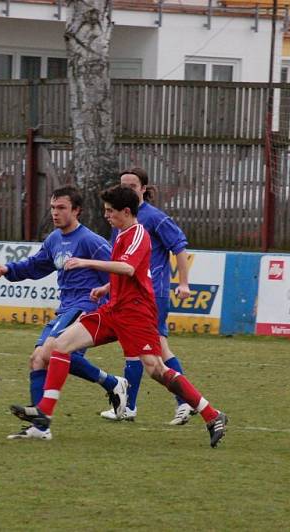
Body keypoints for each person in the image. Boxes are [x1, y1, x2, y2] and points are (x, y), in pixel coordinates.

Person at [10, 185, 228, 448]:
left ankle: (212, 414)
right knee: (59, 345)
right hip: (113, 309)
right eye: (105, 211)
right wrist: (106, 287)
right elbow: (127, 273)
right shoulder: (121, 233)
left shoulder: (138, 233)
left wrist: (86, 262)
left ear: (126, 211)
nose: (107, 216)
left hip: (137, 314)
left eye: (111, 211)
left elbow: (127, 267)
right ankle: (44, 411)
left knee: (156, 369)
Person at [0, 186, 129, 440]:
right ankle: (40, 427)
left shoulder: (91, 241)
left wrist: (110, 301)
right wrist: (8, 270)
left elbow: (120, 271)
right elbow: (35, 266)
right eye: (53, 208)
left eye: (62, 208)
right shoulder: (54, 240)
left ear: (76, 211)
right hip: (66, 308)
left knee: (51, 351)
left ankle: (46, 417)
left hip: (87, 307)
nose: (55, 213)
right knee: (37, 359)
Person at [100, 167, 195, 425]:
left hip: (152, 294)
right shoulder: (120, 217)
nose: (127, 189)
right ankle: (133, 406)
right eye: (123, 185)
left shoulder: (154, 218)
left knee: (153, 349)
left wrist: (184, 283)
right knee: (151, 349)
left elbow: (179, 248)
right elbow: (123, 261)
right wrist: (109, 288)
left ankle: (181, 402)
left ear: (143, 189)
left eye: (133, 186)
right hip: (130, 294)